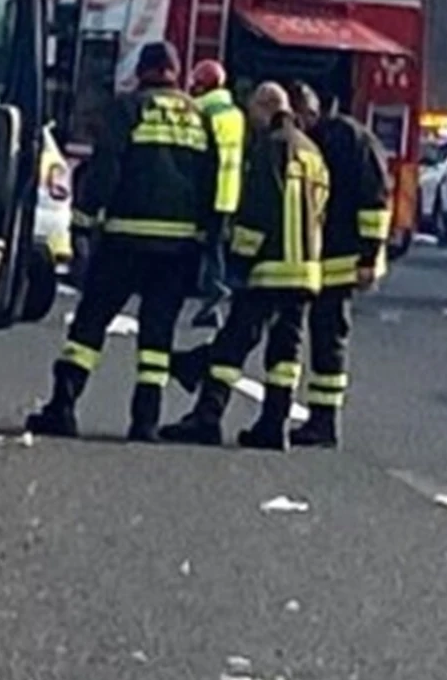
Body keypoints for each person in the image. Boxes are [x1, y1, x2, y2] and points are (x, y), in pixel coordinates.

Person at [25, 41, 214, 441]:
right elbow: (210, 180)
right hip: (178, 247)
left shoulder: (127, 109)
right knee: (157, 338)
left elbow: (106, 169)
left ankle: (63, 407)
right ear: (176, 73)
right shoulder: (199, 117)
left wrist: (82, 222)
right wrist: (204, 237)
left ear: (143, 71)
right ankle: (145, 422)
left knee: (90, 325)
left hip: (126, 239)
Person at [159, 81, 330, 451]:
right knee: (285, 353)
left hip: (270, 267)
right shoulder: (312, 151)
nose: (251, 122)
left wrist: (238, 258)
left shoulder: (271, 148)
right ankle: (274, 425)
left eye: (253, 113)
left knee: (232, 344)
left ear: (267, 107)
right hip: (306, 270)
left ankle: (207, 416)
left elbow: (258, 207)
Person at [285, 82, 392, 448]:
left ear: (307, 113)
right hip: (323, 256)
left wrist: (368, 257)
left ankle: (325, 421)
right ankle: (319, 419)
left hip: (343, 259)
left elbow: (375, 202)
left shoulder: (349, 140)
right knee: (318, 334)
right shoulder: (326, 139)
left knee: (328, 337)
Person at [188, 58, 246, 329]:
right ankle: (210, 304)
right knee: (215, 246)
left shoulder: (201, 112)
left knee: (207, 248)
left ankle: (214, 291)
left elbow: (202, 157)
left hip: (207, 190)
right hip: (229, 192)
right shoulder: (235, 114)